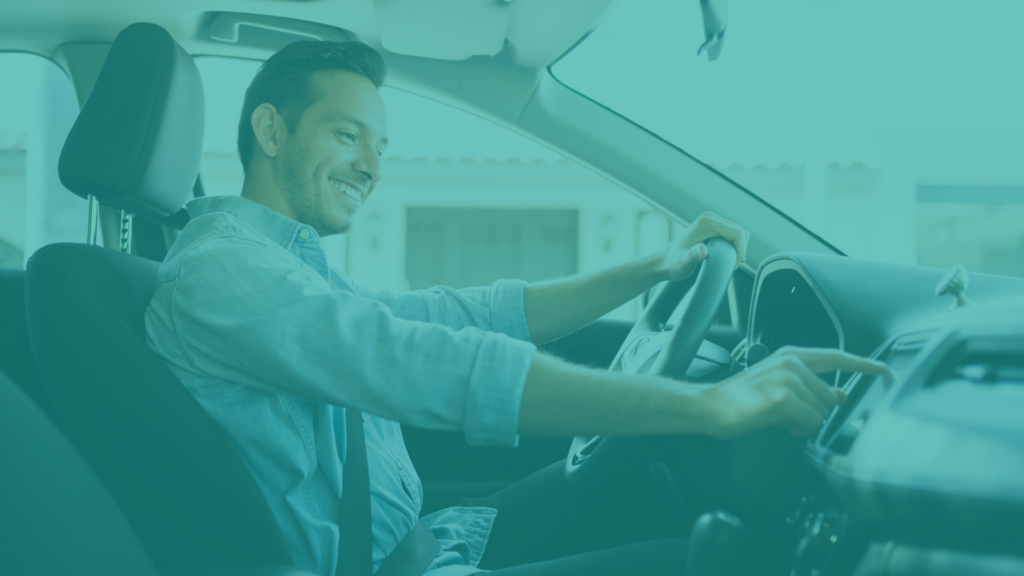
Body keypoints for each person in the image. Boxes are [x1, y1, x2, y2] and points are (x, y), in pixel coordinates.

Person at [145, 41, 887, 576]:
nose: (372, 166)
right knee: (701, 563)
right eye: (346, 135)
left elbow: (450, 318)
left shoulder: (277, 260)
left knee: (646, 496)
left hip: (427, 541)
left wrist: (652, 269)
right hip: (380, 566)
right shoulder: (223, 270)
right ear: (271, 131)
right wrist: (709, 405)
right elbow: (416, 361)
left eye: (380, 144)